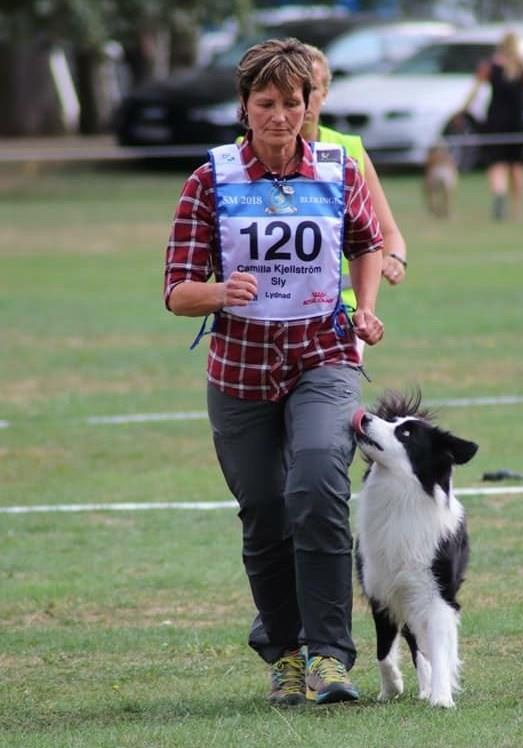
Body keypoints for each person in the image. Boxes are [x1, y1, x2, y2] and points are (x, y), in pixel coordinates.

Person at [164, 38, 384, 706]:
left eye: (294, 102)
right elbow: (177, 291)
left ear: (311, 103)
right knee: (263, 511)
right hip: (240, 370)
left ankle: (331, 659)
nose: (281, 115)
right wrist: (222, 291)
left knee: (317, 482)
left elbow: (368, 242)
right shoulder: (211, 179)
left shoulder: (336, 170)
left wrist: (367, 310)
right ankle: (285, 654)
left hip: (323, 356)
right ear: (245, 107)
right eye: (267, 103)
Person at [301, 44, 408, 305]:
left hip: (342, 310)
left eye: (312, 89)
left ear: (325, 92)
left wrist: (395, 258)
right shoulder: (245, 153)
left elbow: (389, 233)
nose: (303, 100)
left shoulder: (348, 151)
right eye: (294, 90)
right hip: (271, 308)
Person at [461, 31, 523, 221]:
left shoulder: (490, 66)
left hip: (495, 122)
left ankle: (499, 193)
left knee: (496, 164)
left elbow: (473, 93)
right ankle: (517, 209)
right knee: (517, 165)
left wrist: (462, 111)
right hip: (518, 122)